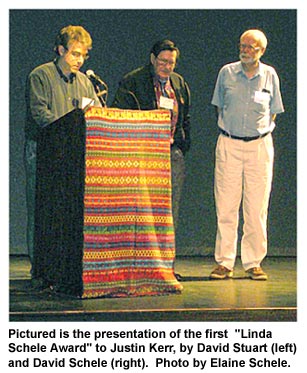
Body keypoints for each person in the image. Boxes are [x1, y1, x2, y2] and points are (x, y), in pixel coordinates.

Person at [24, 25, 101, 269]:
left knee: (67, 212)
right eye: (75, 53)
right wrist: (65, 129)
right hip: (43, 152)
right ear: (60, 50)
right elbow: (39, 113)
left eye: (84, 54)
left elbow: (97, 112)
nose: (80, 60)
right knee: (42, 212)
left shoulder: (86, 82)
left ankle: (64, 268)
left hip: (74, 155)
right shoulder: (40, 75)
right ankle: (40, 269)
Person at [210, 29, 284, 280]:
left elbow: (273, 111)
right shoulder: (226, 73)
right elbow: (219, 107)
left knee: (256, 206)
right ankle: (225, 262)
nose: (245, 50)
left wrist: (256, 133)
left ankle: (253, 262)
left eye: (251, 47)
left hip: (259, 146)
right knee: (226, 205)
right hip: (229, 143)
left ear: (262, 51)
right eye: (243, 45)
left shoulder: (270, 75)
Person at [111, 39, 191, 235]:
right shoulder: (133, 81)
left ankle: (166, 260)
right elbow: (119, 114)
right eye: (162, 62)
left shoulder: (178, 83)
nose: (166, 67)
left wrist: (182, 143)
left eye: (171, 63)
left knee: (171, 209)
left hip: (171, 154)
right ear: (152, 59)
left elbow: (185, 117)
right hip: (142, 156)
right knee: (142, 209)